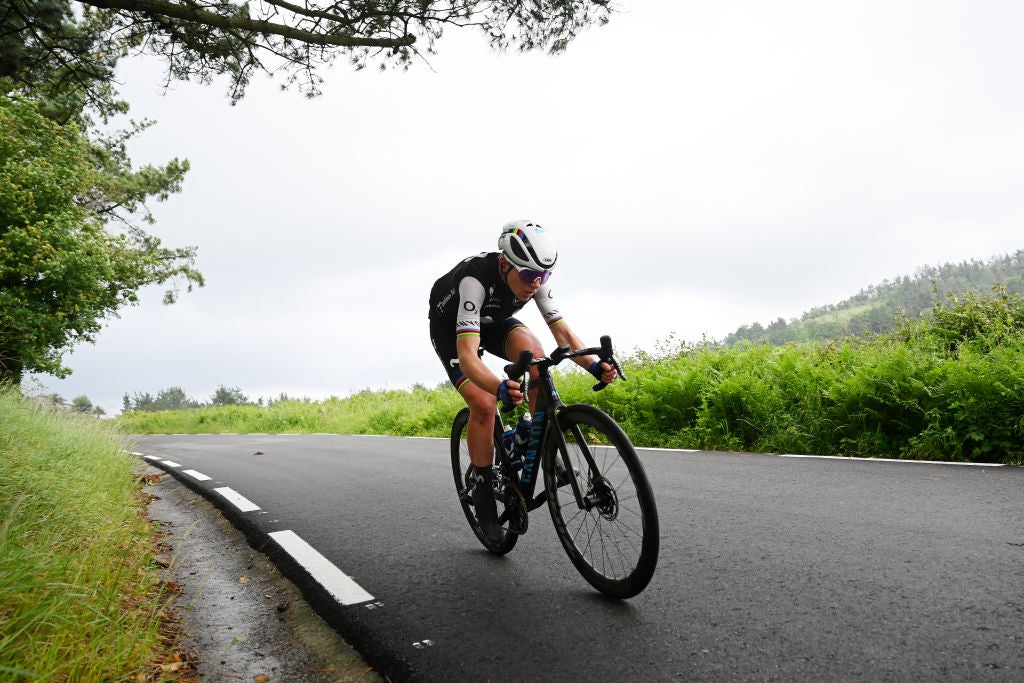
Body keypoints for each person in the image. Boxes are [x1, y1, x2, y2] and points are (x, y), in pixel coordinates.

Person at [428, 220, 618, 543]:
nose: (536, 284)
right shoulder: (475, 281)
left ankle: (531, 436)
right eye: (530, 276)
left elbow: (563, 334)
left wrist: (595, 365)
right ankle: (484, 491)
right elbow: (469, 356)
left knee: (539, 358)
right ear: (505, 264)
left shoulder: (534, 277)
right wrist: (498, 387)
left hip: (494, 321)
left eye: (543, 277)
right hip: (452, 329)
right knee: (485, 404)